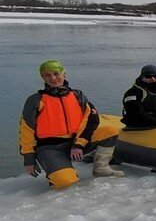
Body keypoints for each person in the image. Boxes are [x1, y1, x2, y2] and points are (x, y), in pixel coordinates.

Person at [19, 60, 124, 189]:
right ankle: (59, 171)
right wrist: (29, 159)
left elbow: (92, 120)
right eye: (47, 75)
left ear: (64, 74)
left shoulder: (77, 95)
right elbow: (26, 131)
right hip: (51, 148)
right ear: (43, 77)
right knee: (66, 182)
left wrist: (79, 144)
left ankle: (101, 169)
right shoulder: (35, 100)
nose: (53, 78)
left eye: (56, 73)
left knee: (110, 130)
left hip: (76, 143)